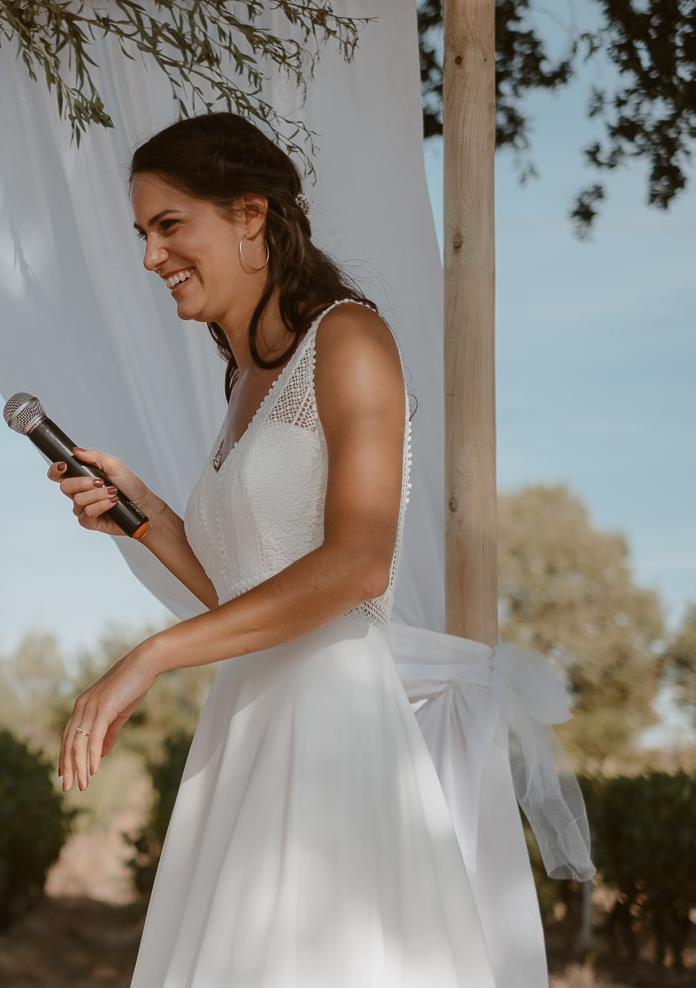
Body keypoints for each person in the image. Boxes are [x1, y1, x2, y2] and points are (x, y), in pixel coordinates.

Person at [49, 113, 495, 987]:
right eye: (143, 234)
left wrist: (152, 656)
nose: (150, 257)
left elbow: (358, 564)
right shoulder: (246, 378)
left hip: (329, 728)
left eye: (170, 226)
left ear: (250, 214)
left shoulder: (351, 338)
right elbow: (244, 591)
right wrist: (145, 515)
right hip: (246, 723)